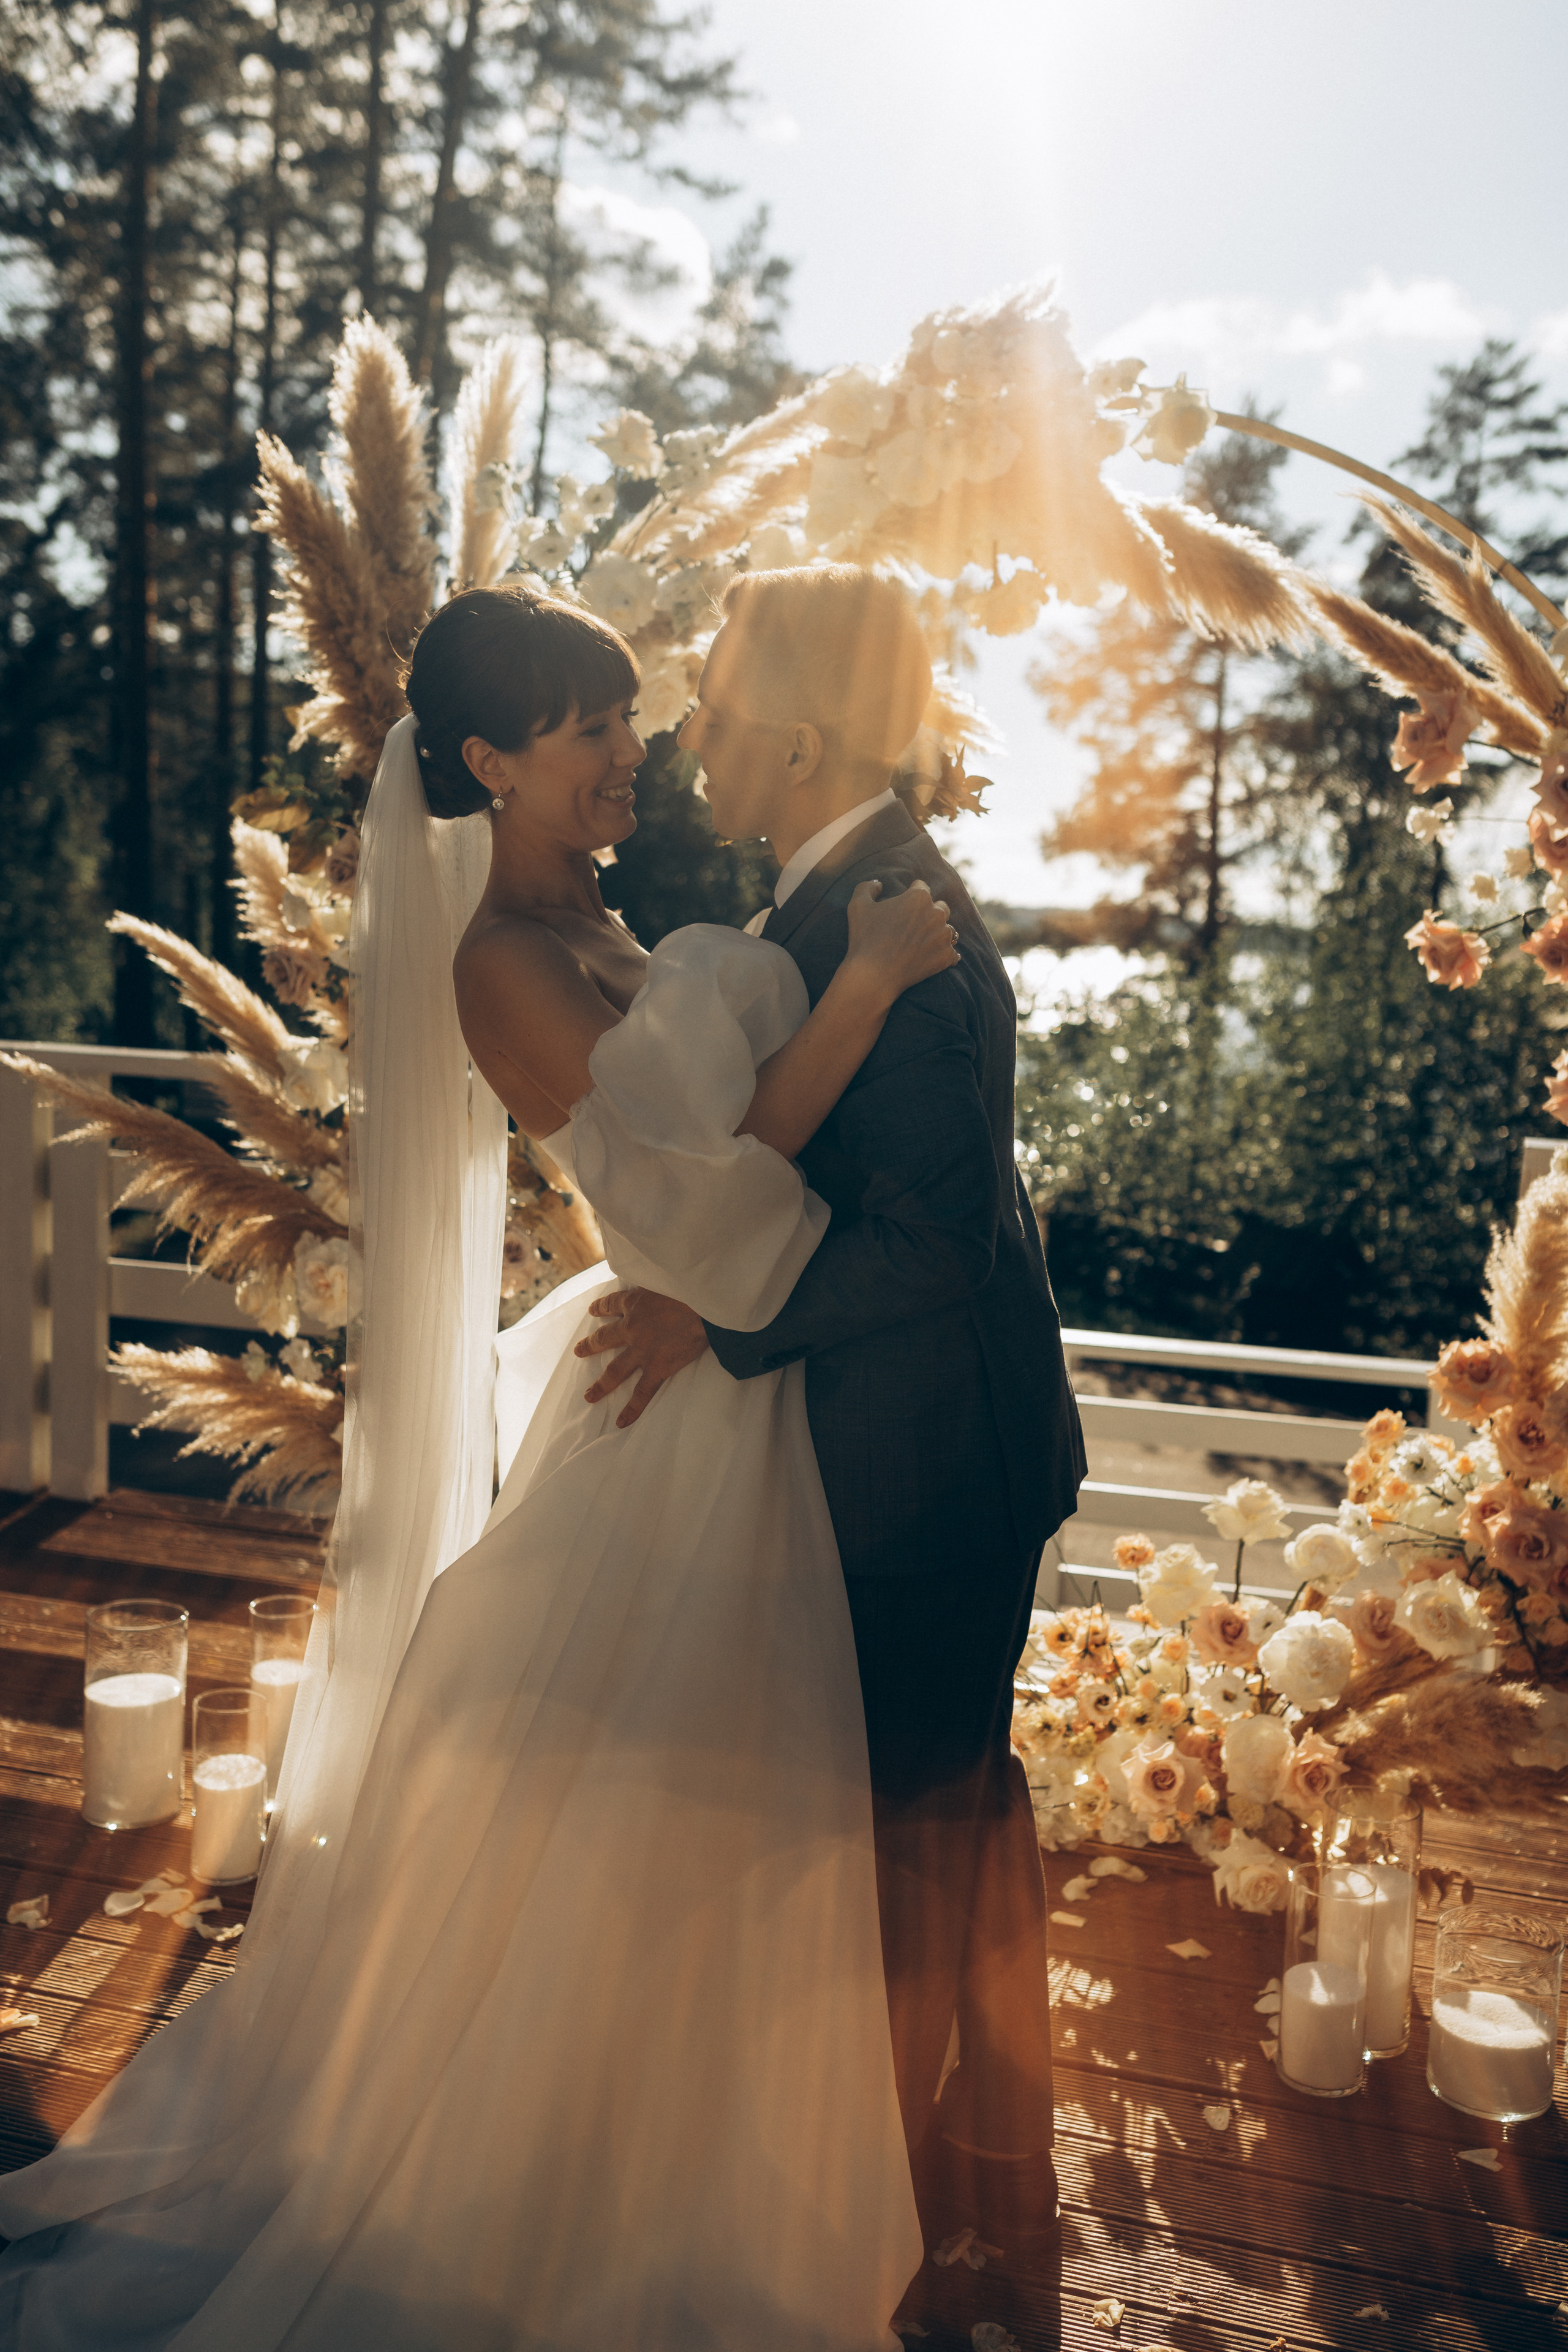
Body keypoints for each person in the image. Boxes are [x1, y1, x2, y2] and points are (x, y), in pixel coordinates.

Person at [0, 584, 963, 2350]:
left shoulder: (619, 919)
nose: (630, 747)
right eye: (587, 724)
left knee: (727, 1817)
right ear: (487, 761)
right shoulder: (498, 967)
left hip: (720, 1386)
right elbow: (704, 1197)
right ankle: (548, 2214)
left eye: (623, 712)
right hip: (671, 1396)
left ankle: (686, 2184)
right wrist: (876, 987)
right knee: (629, 1811)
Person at [574, 567, 1086, 2257]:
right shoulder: (841, 906)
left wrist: (719, 1333)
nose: (686, 736)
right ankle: (982, 2163)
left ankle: (899, 2220)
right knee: (944, 1798)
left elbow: (933, 1241)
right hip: (904, 1436)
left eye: (713, 708)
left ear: (793, 745)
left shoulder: (893, 924)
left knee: (913, 1824)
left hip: (930, 1454)